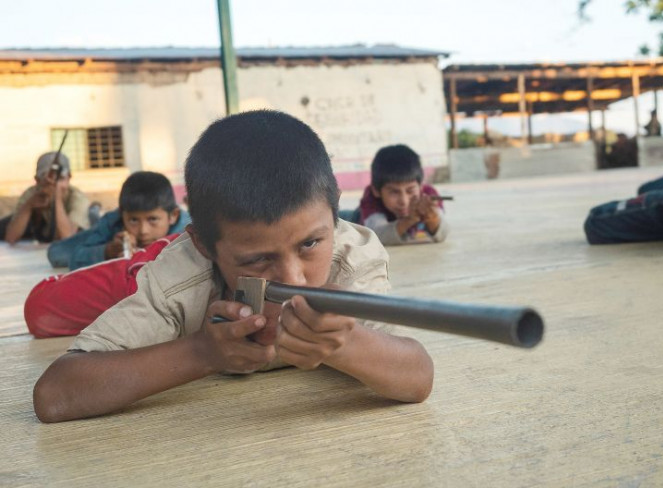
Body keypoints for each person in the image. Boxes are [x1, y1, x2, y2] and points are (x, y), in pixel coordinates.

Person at [33, 110, 434, 423]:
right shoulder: (181, 277)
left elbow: (417, 377)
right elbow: (55, 394)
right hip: (148, 262)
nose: (293, 278)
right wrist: (202, 352)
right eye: (258, 258)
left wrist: (345, 342)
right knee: (42, 309)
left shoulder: (351, 256)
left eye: (310, 243)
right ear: (206, 246)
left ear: (334, 214)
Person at [26, 234, 179, 338]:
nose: (143, 231)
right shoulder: (164, 254)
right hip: (44, 298)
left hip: (45, 310)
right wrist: (107, 250)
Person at [47, 171, 190, 269]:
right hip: (107, 230)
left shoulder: (189, 230)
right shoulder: (112, 222)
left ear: (173, 216)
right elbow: (75, 259)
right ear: (122, 215)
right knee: (57, 253)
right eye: (134, 220)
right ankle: (95, 218)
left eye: (152, 219)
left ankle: (95, 215)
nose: (143, 231)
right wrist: (107, 251)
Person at [346, 144, 450, 246]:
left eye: (410, 190)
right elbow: (376, 236)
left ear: (421, 186)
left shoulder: (429, 196)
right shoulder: (370, 199)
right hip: (355, 217)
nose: (404, 201)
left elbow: (443, 233)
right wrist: (409, 220)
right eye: (394, 192)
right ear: (376, 191)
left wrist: (432, 218)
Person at [0, 152, 90, 244]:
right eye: (47, 180)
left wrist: (57, 199)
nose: (53, 184)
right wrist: (28, 206)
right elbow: (11, 238)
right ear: (37, 180)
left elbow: (67, 238)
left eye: (60, 178)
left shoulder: (77, 198)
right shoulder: (31, 194)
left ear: (69, 178)